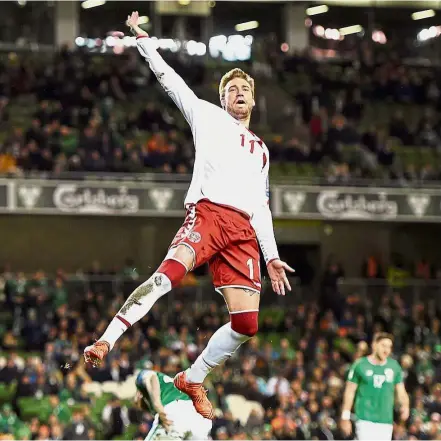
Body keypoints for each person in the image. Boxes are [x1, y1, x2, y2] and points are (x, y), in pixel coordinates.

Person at [84, 11, 294, 420]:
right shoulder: (207, 116)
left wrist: (270, 256)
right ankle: (106, 340)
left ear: (253, 99)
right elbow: (169, 80)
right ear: (222, 99)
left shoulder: (263, 150)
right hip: (209, 215)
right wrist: (143, 40)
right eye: (230, 88)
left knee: (247, 324)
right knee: (166, 278)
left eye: (243, 89)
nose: (238, 92)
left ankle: (193, 378)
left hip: (244, 231)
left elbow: (262, 205)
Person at [340, 332, 410, 440]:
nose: (386, 350)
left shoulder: (394, 367)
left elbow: (401, 391)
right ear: (374, 345)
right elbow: (350, 392)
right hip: (364, 419)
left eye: (389, 347)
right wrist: (345, 416)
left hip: (386, 421)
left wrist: (405, 405)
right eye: (383, 345)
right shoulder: (360, 365)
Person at [135, 369, 212, 440]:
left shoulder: (140, 384)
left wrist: (157, 405)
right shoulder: (169, 387)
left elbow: (151, 376)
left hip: (175, 409)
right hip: (198, 416)